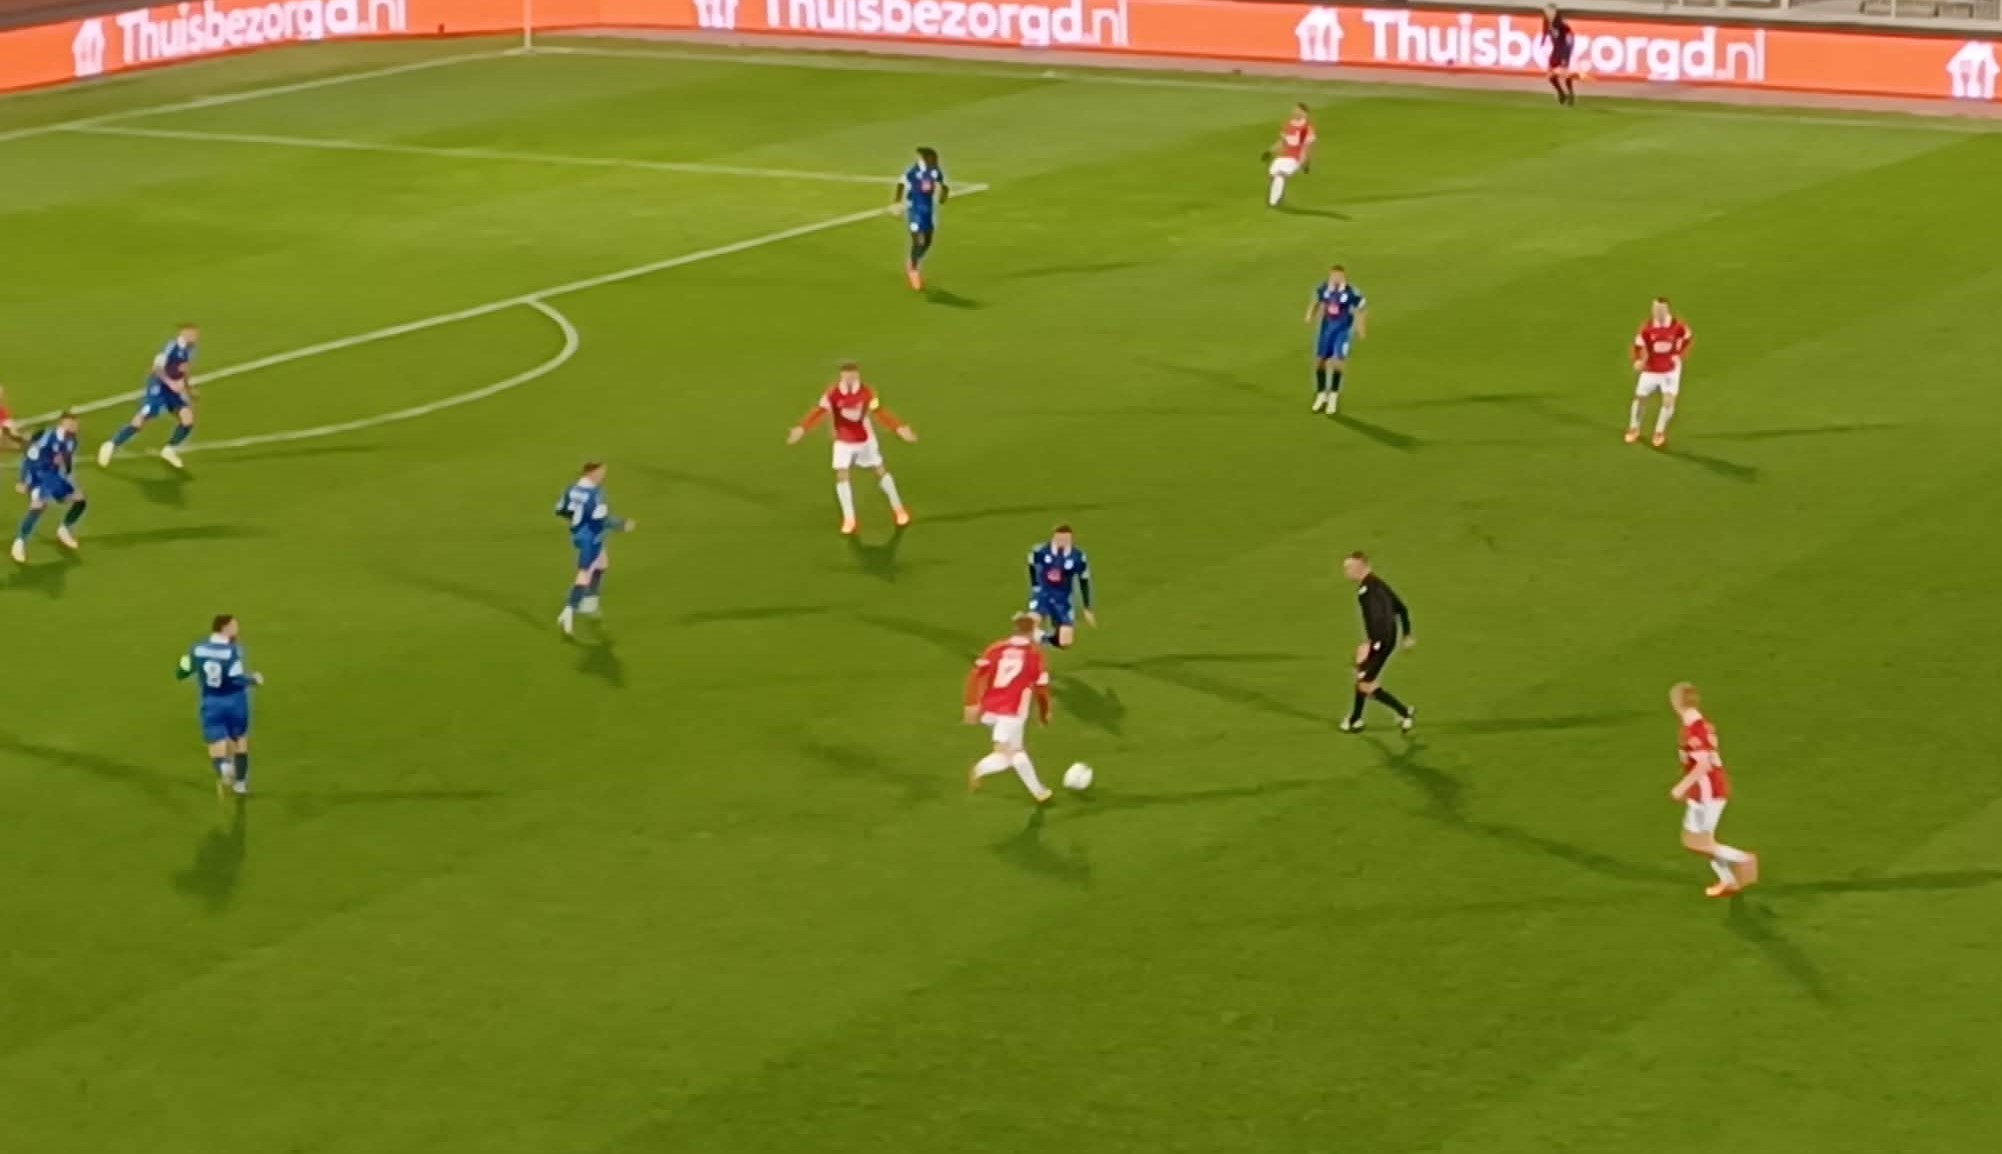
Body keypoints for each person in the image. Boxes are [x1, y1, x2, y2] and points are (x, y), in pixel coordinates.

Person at [786, 362, 915, 536]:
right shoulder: (832, 393)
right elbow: (819, 411)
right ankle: (849, 519)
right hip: (843, 440)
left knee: (880, 471)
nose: (850, 377)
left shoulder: (867, 393)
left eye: (853, 374)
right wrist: (802, 428)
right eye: (846, 374)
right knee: (841, 474)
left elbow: (880, 413)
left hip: (865, 439)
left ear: (858, 375)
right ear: (841, 375)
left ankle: (899, 510)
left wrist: (898, 428)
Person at [1667, 682, 1759, 897]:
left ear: (1676, 704)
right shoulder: (1700, 725)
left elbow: (1704, 765)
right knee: (1695, 841)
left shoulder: (1694, 731)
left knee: (1700, 842)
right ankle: (1728, 880)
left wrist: (1681, 787)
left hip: (1708, 794)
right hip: (1702, 792)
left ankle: (1743, 860)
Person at [963, 611, 1055, 803]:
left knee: (1016, 752)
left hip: (990, 709)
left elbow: (976, 674)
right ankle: (978, 770)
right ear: (1033, 631)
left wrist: (971, 702)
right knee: (1005, 756)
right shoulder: (1034, 656)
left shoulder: (996, 648)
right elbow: (1041, 689)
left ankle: (1040, 792)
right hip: (1011, 712)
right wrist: (1044, 713)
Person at [176, 614, 264, 798]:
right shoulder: (233, 652)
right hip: (235, 702)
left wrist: (183, 673)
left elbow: (182, 671)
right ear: (224, 628)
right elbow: (235, 679)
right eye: (234, 626)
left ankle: (223, 767)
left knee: (215, 743)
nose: (237, 629)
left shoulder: (197, 648)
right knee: (239, 740)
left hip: (211, 702)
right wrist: (253, 680)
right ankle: (240, 784)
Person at [99, 324, 200, 469]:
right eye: (194, 334)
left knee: (187, 419)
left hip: (171, 391)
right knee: (141, 420)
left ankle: (169, 449)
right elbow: (155, 369)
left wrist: (189, 389)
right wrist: (171, 383)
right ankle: (111, 445)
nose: (196, 338)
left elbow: (184, 371)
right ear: (184, 334)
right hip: (158, 388)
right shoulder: (171, 347)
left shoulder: (188, 350)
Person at [554, 461, 636, 636]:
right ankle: (569, 610)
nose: (602, 476)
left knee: (602, 564)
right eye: (600, 473)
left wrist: (577, 522)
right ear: (591, 473)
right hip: (591, 538)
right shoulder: (595, 494)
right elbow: (603, 520)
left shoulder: (571, 489)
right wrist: (622, 525)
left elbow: (560, 510)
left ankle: (590, 601)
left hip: (578, 534)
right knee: (584, 573)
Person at [1340, 551, 1416, 732]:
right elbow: (1401, 609)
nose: (1346, 572)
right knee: (1363, 677)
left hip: (1381, 642)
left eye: (1349, 568)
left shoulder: (1368, 591)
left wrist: (1373, 644)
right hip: (1384, 640)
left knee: (1364, 682)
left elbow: (1378, 619)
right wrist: (1406, 634)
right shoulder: (1378, 584)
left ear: (1360, 567)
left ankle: (1404, 712)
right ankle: (1356, 719)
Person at [11, 411, 88, 564]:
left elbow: (67, 461)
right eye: (73, 424)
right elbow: (30, 458)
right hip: (37, 476)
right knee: (38, 507)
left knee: (80, 500)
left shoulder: (72, 441)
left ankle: (64, 529)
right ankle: (19, 543)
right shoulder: (46, 436)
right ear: (63, 424)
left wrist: (67, 476)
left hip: (54, 477)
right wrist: (23, 481)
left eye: (76, 424)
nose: (76, 427)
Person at [1626, 297, 1692, 448]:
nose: (1657, 312)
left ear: (1667, 310)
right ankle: (1634, 428)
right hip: (1651, 369)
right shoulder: (1647, 328)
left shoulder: (1677, 326)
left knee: (1668, 401)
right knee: (1640, 398)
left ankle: (1659, 432)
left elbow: (1687, 337)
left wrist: (1679, 353)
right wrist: (1638, 360)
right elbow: (1637, 345)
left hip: (1670, 370)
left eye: (1660, 309)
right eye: (1655, 309)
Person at [1305, 265, 1368, 414]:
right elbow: (1317, 300)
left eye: (1339, 276)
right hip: (1326, 330)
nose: (1336, 279)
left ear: (1344, 277)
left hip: (1342, 331)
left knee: (1338, 361)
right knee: (1320, 361)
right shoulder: (1325, 289)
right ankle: (1321, 394)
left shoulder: (1350, 292)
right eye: (1334, 276)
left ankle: (1333, 396)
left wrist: (1360, 326)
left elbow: (1362, 307)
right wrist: (1310, 314)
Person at [1026, 524, 1096, 649]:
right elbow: (1031, 563)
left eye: (1066, 539)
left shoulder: (1077, 557)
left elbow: (1083, 579)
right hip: (1043, 594)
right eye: (1059, 538)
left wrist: (1086, 607)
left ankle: (1046, 638)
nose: (1062, 541)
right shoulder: (1042, 551)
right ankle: (1035, 638)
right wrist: (1035, 585)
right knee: (1028, 625)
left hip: (1062, 598)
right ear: (1054, 537)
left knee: (1065, 642)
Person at [892, 147, 950, 291]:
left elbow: (943, 184)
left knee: (928, 241)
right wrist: (897, 203)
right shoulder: (914, 172)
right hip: (914, 212)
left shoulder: (935, 171)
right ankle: (913, 269)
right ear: (926, 158)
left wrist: (944, 195)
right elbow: (900, 184)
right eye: (933, 158)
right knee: (919, 241)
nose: (936, 161)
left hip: (927, 213)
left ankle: (913, 262)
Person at [1264, 103, 1316, 208]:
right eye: (1295, 109)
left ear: (1304, 113)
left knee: (1280, 175)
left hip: (1295, 158)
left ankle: (1274, 201)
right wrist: (1270, 151)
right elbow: (1283, 142)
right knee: (1272, 175)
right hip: (1283, 156)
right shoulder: (1289, 124)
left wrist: (1306, 163)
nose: (1295, 112)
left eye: (1298, 110)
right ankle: (1278, 197)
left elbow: (1307, 147)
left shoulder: (1306, 128)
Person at [1543, 7, 1578, 105]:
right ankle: (1561, 93)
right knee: (1551, 76)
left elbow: (1570, 39)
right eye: (1547, 13)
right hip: (1555, 53)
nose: (1549, 15)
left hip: (1563, 53)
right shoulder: (1548, 25)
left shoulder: (1563, 26)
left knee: (1565, 74)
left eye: (1550, 13)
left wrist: (1566, 55)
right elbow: (1550, 37)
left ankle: (1571, 94)